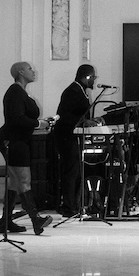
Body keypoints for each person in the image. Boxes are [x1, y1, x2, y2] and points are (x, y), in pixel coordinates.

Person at [0, 61, 52, 235]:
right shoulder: (15, 92)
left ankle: (5, 222)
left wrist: (40, 123)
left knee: (14, 182)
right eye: (29, 69)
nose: (33, 71)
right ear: (20, 72)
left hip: (18, 140)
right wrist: (38, 123)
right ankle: (36, 220)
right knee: (24, 180)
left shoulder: (20, 92)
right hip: (12, 140)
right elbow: (17, 119)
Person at [52, 63, 95, 215]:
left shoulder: (81, 90)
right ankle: (68, 206)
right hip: (66, 136)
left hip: (74, 136)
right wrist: (83, 122)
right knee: (71, 171)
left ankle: (75, 204)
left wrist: (89, 121)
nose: (94, 80)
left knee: (75, 171)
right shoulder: (72, 91)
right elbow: (64, 115)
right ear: (86, 77)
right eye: (93, 77)